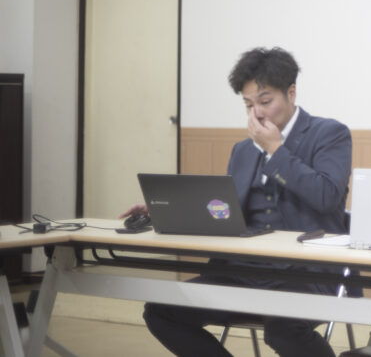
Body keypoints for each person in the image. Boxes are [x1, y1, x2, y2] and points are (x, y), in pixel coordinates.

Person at [124, 47, 352, 357]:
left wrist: (276, 151)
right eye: (248, 104)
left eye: (265, 102)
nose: (256, 113)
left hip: (306, 274)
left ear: (291, 93)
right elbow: (223, 211)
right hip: (243, 272)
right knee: (162, 312)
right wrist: (166, 210)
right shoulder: (242, 150)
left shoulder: (329, 134)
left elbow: (326, 197)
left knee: (283, 328)